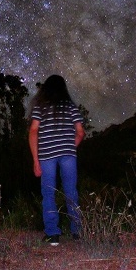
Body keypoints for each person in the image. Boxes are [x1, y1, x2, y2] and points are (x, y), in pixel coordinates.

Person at [28, 74, 85, 245]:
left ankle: (53, 234)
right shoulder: (71, 107)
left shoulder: (40, 107)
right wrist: (69, 146)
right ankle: (77, 232)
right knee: (71, 192)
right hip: (68, 155)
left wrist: (35, 160)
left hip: (46, 155)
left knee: (49, 193)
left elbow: (33, 131)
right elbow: (81, 132)